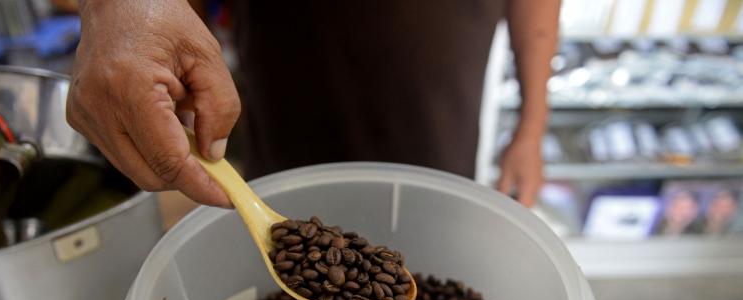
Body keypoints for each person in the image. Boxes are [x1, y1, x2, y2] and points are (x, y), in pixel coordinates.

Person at [67, 0, 559, 208]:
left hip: (435, 120)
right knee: (284, 231)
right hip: (285, 113)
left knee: (433, 248)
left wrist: (533, 123)